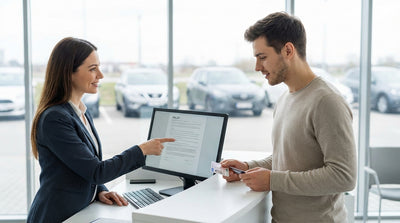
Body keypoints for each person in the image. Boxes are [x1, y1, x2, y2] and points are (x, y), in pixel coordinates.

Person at [221, 12, 357, 222]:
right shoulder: (285, 98)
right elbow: (290, 159)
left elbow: (344, 176)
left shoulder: (327, 101)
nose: (257, 67)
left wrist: (273, 180)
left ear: (288, 50)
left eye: (262, 57)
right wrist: (247, 167)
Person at [27, 37, 175, 223]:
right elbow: (97, 171)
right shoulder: (55, 119)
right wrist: (142, 150)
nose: (101, 75)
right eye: (92, 69)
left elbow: (83, 167)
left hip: (79, 213)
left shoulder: (81, 111)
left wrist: (99, 190)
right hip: (57, 216)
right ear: (68, 73)